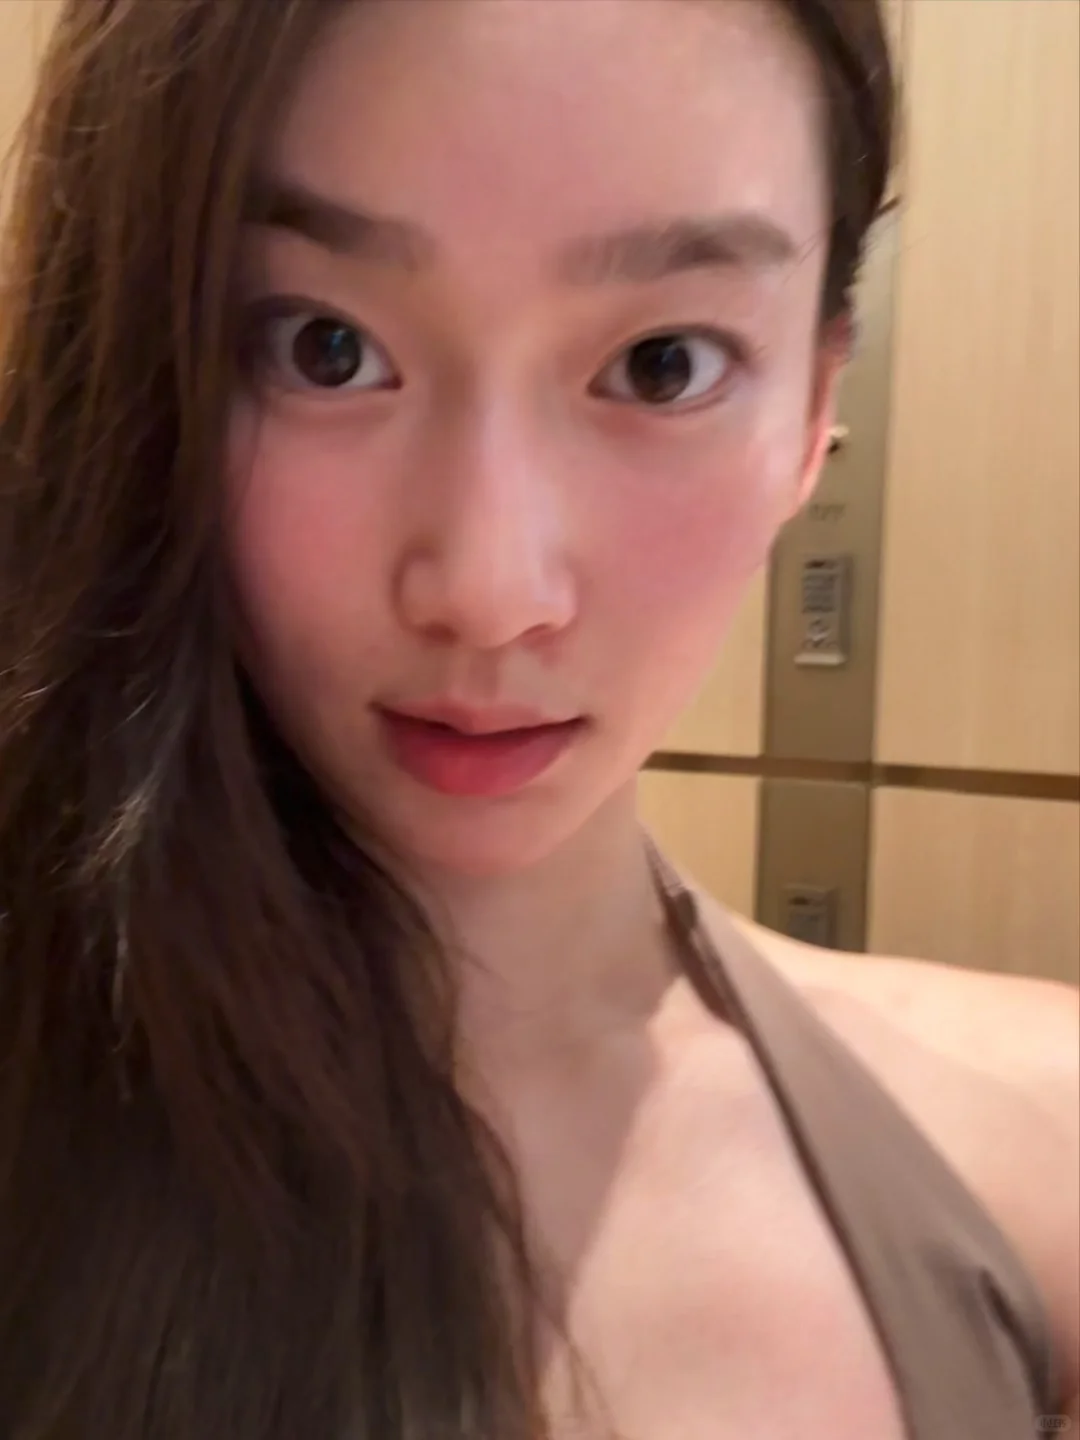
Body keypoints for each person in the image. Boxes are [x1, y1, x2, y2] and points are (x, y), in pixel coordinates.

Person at [0, 0, 1075, 1436]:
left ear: (817, 409)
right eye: (322, 348)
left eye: (663, 364)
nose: (491, 590)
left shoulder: (1038, 1161)